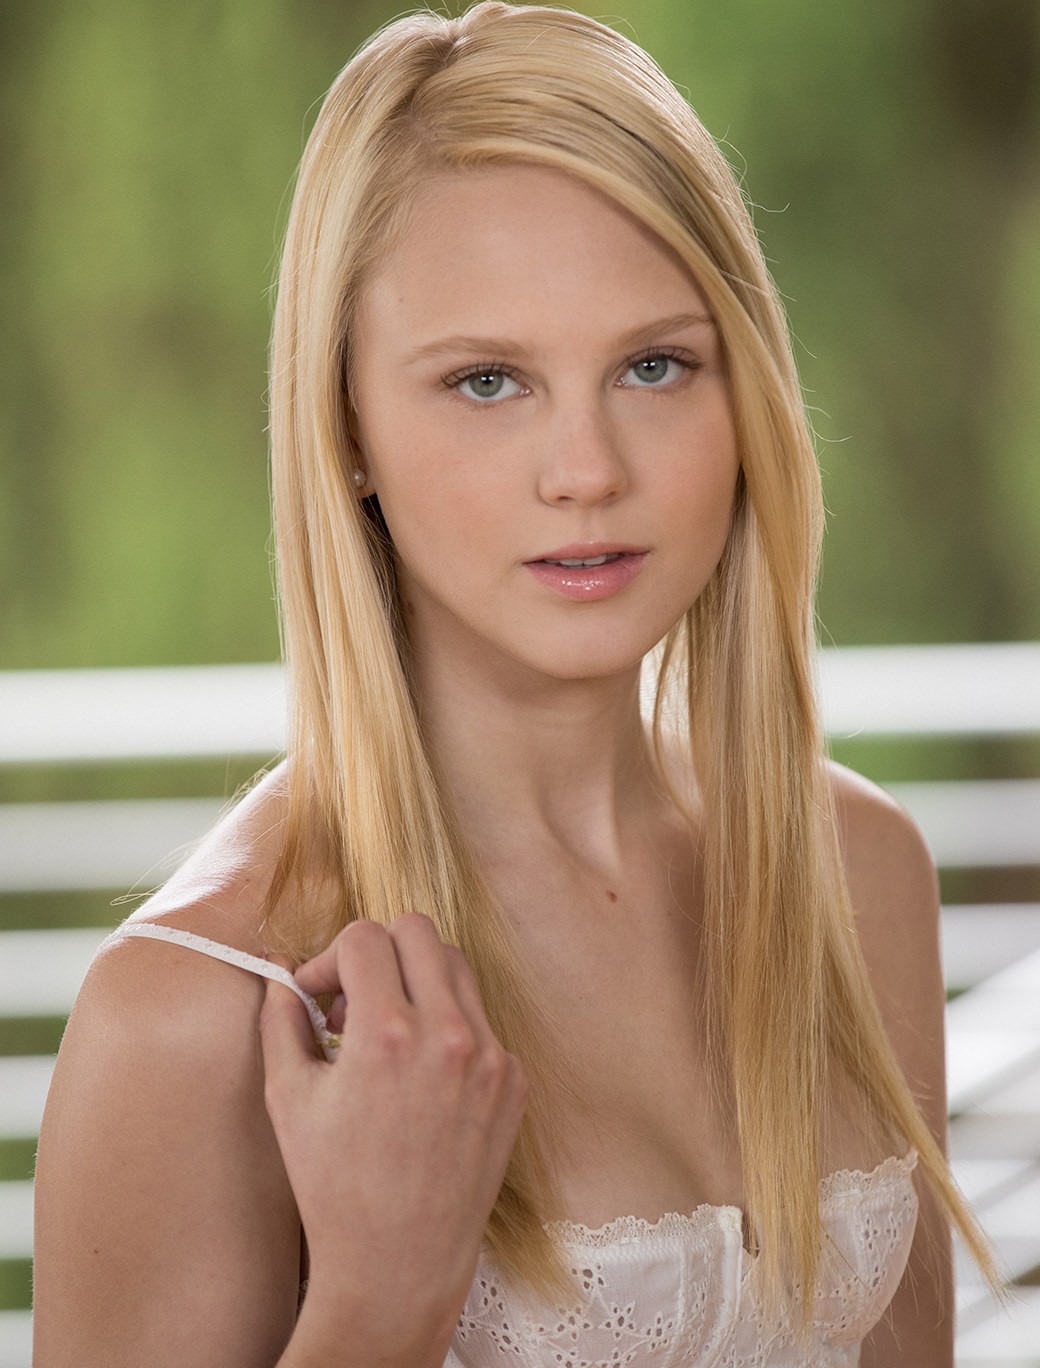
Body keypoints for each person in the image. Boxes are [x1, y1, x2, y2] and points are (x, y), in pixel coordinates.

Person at [32, 4, 996, 1365]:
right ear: (346, 426)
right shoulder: (201, 1018)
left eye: (655, 366)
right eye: (487, 382)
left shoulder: (856, 872)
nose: (588, 471)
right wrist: (379, 1298)